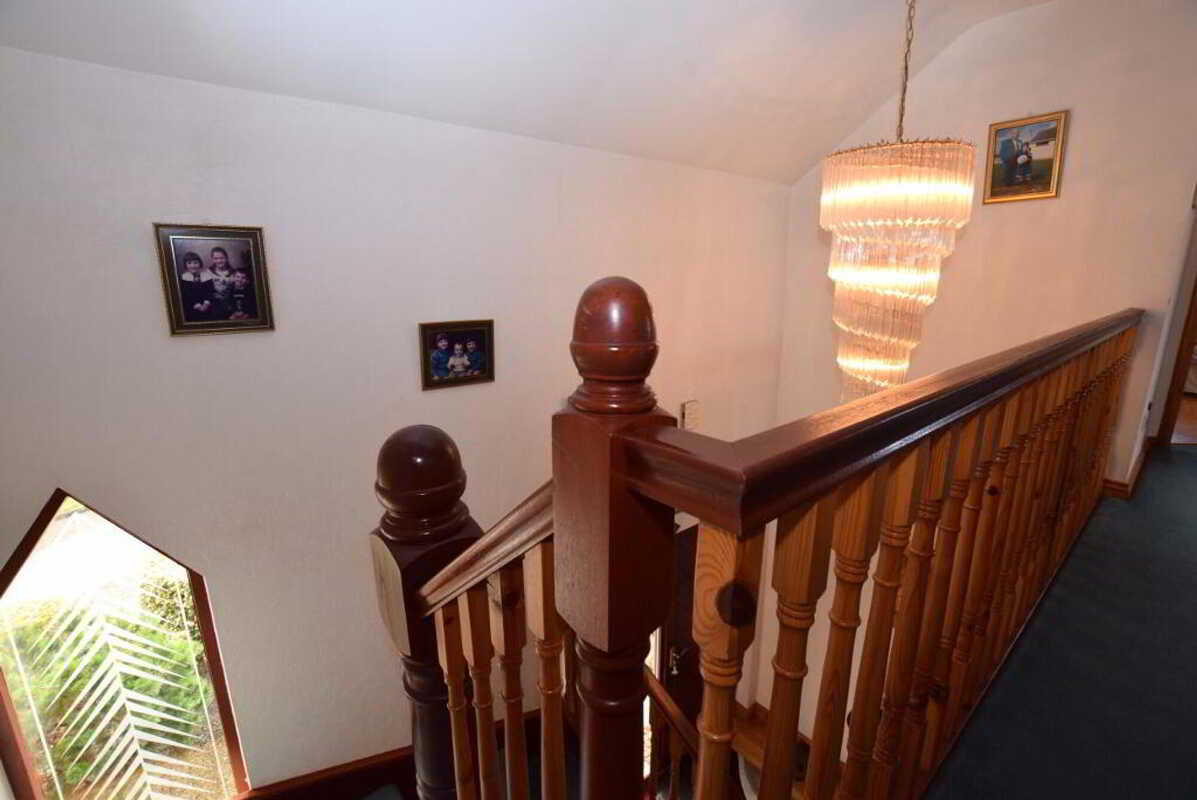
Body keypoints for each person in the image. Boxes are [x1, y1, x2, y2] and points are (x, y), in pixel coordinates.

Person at [178, 251, 214, 321]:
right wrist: (198, 306)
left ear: (200, 263)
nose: (193, 266)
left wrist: (206, 304)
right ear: (185, 265)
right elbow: (187, 295)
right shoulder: (184, 278)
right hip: (191, 306)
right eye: (189, 263)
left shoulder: (206, 276)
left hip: (207, 305)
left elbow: (210, 291)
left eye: (195, 263)